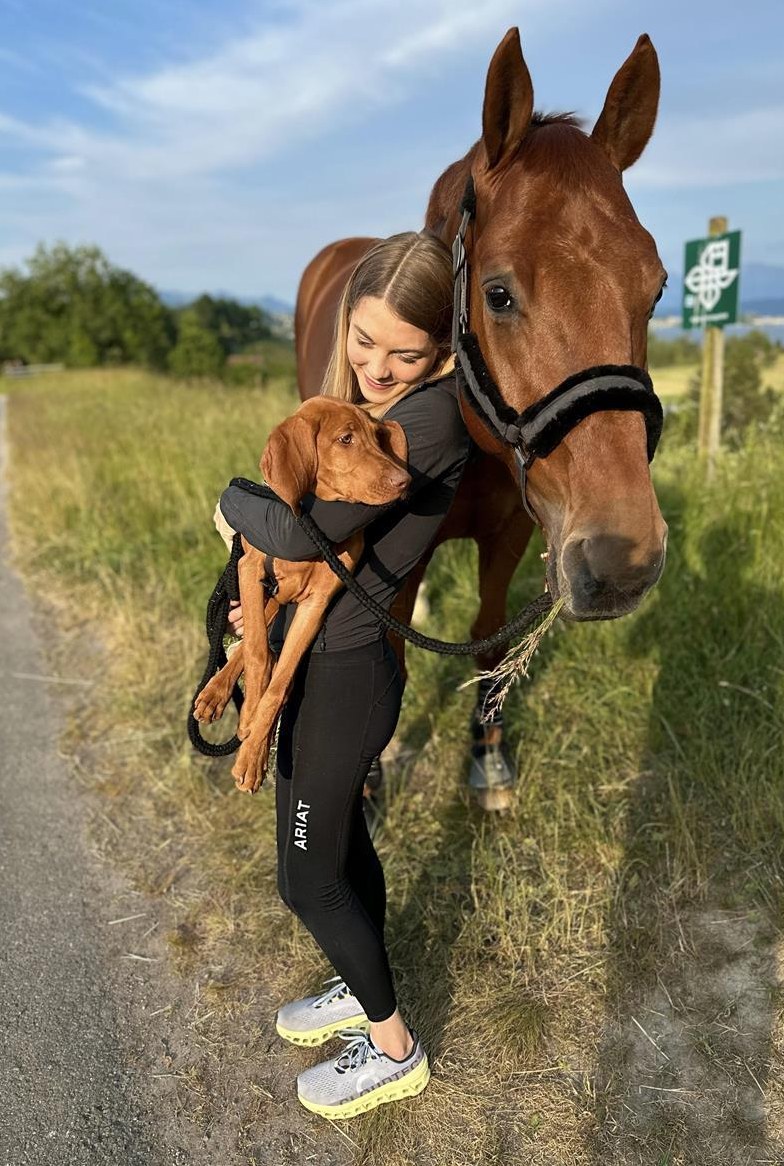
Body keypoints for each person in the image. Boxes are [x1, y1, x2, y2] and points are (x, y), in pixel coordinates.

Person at [217, 231, 471, 1119]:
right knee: (340, 844)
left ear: (444, 347)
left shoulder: (425, 421)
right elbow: (296, 529)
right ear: (346, 317)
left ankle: (394, 1047)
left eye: (408, 352)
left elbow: (289, 527)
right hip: (325, 662)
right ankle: (358, 988)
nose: (379, 367)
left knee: (304, 876)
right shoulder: (368, 406)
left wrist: (227, 503)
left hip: (352, 670)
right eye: (364, 341)